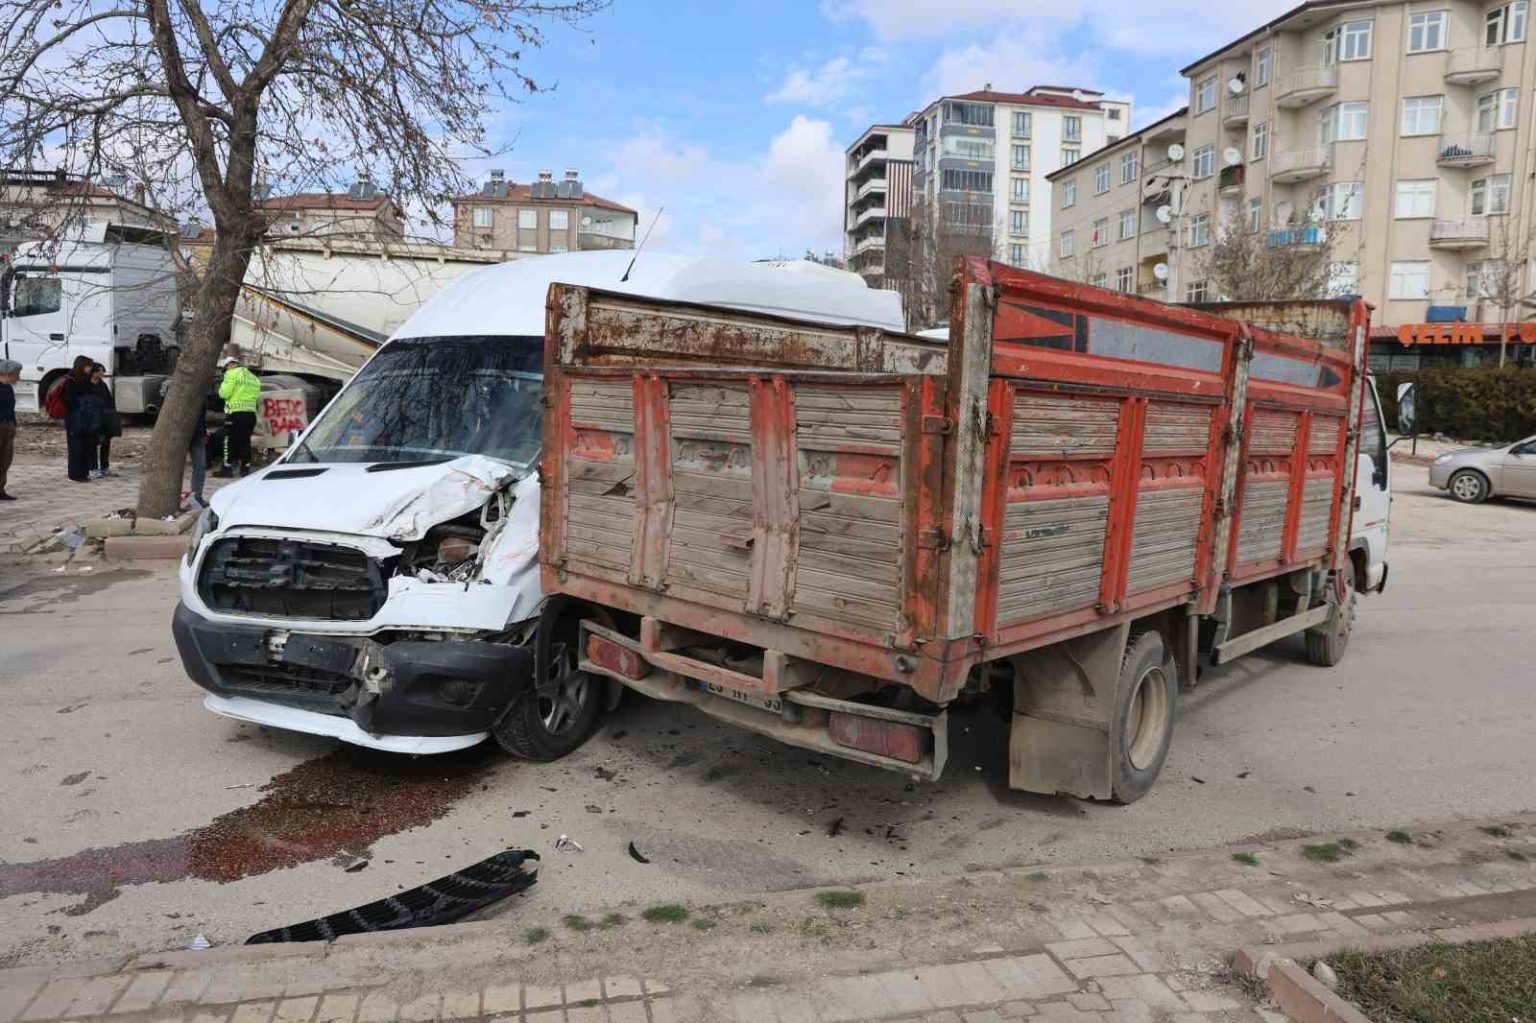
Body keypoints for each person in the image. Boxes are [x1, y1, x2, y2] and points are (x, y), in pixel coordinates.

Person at [215, 355, 260, 477]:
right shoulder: (252, 377)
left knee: (229, 441)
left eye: (225, 368)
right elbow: (256, 393)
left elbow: (224, 394)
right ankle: (245, 468)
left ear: (229, 365)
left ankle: (226, 469)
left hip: (235, 414)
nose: (226, 371)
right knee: (245, 441)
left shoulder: (231, 374)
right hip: (250, 414)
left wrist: (221, 389)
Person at [62, 356, 101, 483]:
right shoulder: (71, 380)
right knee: (75, 447)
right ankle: (75, 474)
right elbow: (70, 401)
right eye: (88, 366)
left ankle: (84, 472)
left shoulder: (87, 380)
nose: (90, 368)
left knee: (86, 446)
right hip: (75, 418)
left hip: (86, 419)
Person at [88, 363, 123, 478]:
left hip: (104, 418)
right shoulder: (86, 386)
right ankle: (92, 468)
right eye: (99, 371)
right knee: (91, 444)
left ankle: (104, 467)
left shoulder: (102, 385)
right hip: (92, 419)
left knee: (105, 443)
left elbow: (109, 401)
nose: (102, 373)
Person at [0, 358, 20, 501]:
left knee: (5, 460)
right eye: (16, 374)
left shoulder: (8, 388)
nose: (18, 377)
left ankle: (0, 489)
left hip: (8, 426)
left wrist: (12, 424)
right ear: (6, 373)